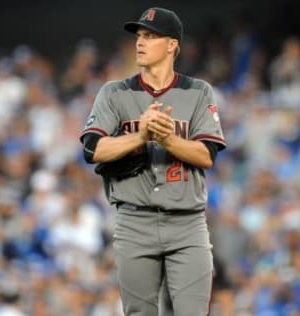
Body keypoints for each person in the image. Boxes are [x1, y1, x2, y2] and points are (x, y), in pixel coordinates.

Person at [80, 7, 226, 316]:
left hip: (187, 223)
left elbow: (207, 155)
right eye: (139, 36)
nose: (140, 42)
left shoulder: (198, 92)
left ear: (172, 44)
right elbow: (92, 149)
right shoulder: (115, 93)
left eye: (150, 36)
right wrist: (139, 136)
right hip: (134, 222)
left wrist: (169, 140)